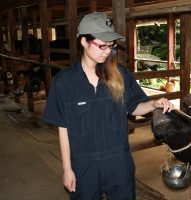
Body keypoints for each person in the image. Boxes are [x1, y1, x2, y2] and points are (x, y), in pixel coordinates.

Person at [42, 11, 174, 200]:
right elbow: (63, 128)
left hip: (118, 162)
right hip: (83, 165)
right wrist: (67, 169)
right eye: (102, 45)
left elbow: (134, 107)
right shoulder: (64, 82)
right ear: (84, 42)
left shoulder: (119, 74)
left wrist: (154, 103)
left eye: (111, 46)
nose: (107, 51)